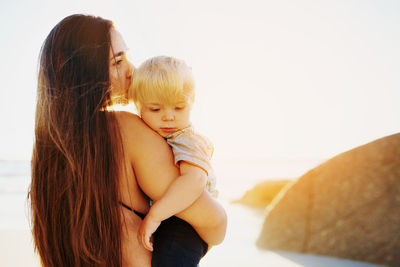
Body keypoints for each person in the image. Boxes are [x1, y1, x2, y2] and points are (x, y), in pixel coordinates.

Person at [29, 14, 227, 267]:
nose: (132, 70)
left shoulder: (49, 158)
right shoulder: (125, 130)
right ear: (85, 73)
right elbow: (215, 222)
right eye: (118, 61)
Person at [129, 56, 218, 255]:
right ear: (138, 106)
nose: (168, 116)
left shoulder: (186, 139)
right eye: (155, 109)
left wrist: (155, 215)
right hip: (170, 219)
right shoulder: (152, 136)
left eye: (178, 107)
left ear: (192, 102)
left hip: (186, 225)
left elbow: (195, 180)